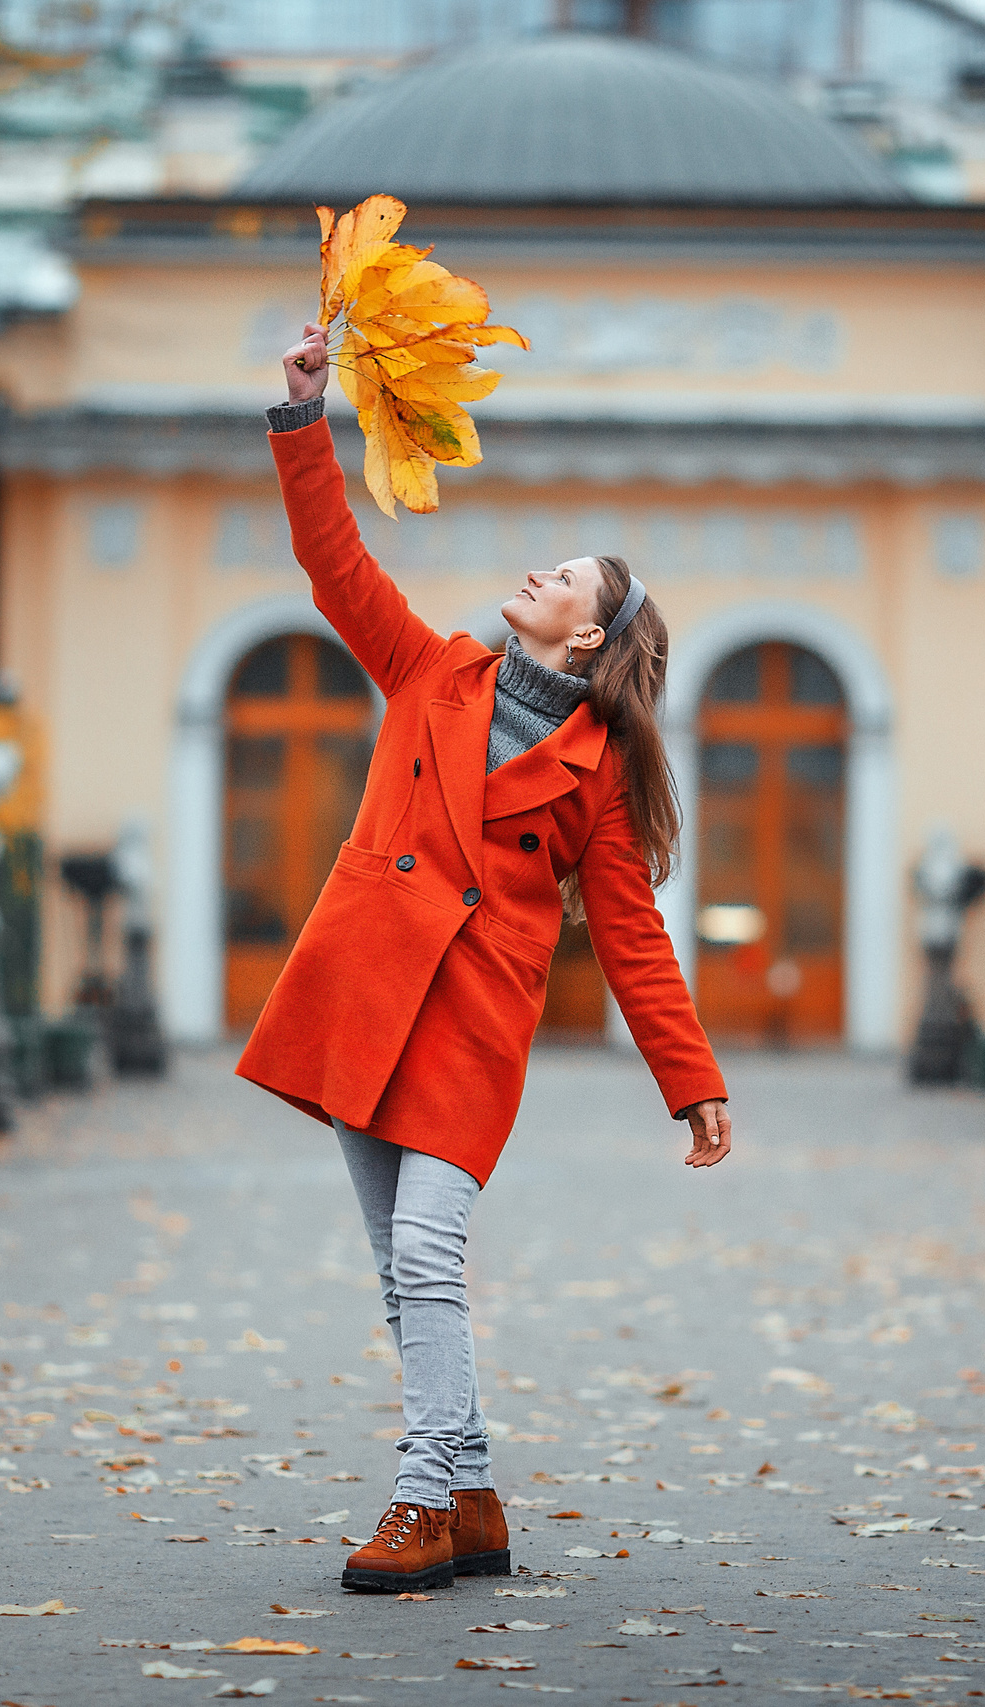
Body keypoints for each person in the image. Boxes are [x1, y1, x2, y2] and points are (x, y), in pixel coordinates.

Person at [236, 323, 736, 1593]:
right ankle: (470, 1497)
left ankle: (419, 1503)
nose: (534, 572)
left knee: (424, 1259)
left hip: (466, 1025)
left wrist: (690, 1078)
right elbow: (333, 561)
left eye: (561, 574)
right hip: (364, 998)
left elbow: (628, 931)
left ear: (589, 634)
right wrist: (305, 417)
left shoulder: (602, 775)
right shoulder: (430, 672)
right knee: (398, 1278)